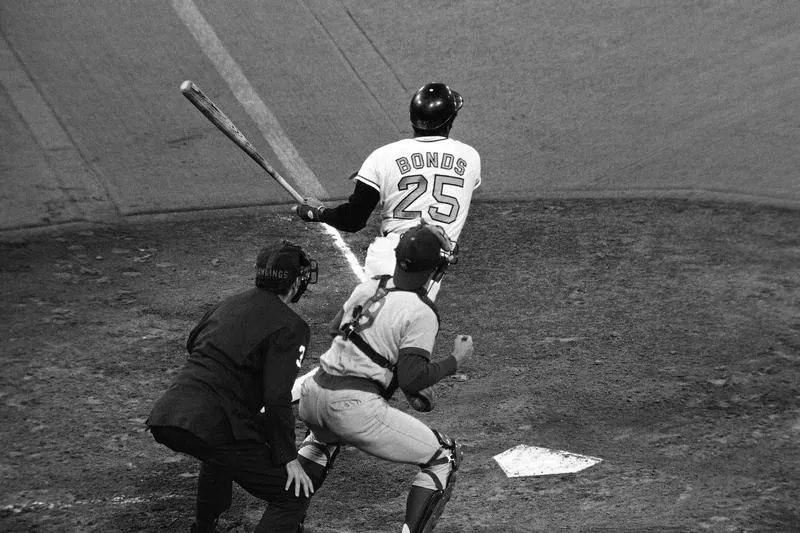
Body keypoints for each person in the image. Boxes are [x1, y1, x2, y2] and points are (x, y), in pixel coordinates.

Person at [294, 222, 474, 533]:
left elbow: (336, 329)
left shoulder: (370, 286)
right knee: (443, 455)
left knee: (323, 440)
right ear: (433, 269)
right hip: (353, 408)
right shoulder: (422, 312)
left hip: (313, 394)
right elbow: (413, 377)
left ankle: (284, 520)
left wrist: (383, 358)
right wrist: (454, 361)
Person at [146, 241, 319, 533]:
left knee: (223, 448)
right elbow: (277, 399)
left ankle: (203, 527)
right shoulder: (292, 326)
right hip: (212, 422)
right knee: (293, 494)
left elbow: (193, 343)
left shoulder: (229, 303)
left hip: (170, 412)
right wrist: (288, 458)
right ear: (292, 283)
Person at [293, 82, 481, 300]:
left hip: (387, 256)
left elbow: (353, 220)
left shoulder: (382, 157)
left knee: (365, 327)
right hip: (428, 264)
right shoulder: (470, 157)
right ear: (450, 120)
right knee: (406, 324)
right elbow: (435, 179)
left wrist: (317, 212)